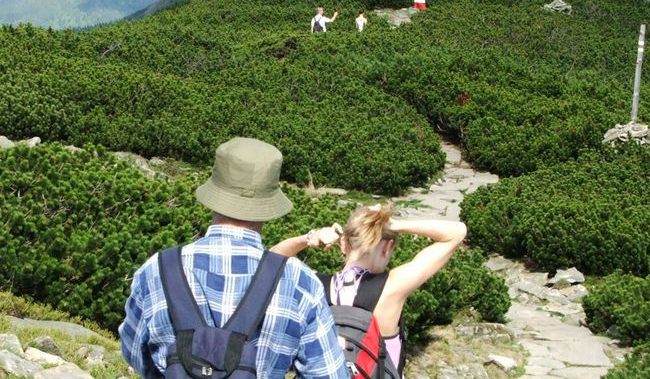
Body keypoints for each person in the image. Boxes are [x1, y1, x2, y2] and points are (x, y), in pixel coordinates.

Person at [119, 137, 349, 379]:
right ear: (268, 203)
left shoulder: (157, 269)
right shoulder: (300, 282)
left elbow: (134, 351)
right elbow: (329, 375)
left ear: (215, 193)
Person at [272, 205, 467, 377]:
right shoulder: (391, 287)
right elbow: (456, 232)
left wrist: (308, 238)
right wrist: (395, 225)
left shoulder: (313, 282)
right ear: (388, 247)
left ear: (343, 244)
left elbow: (270, 261)